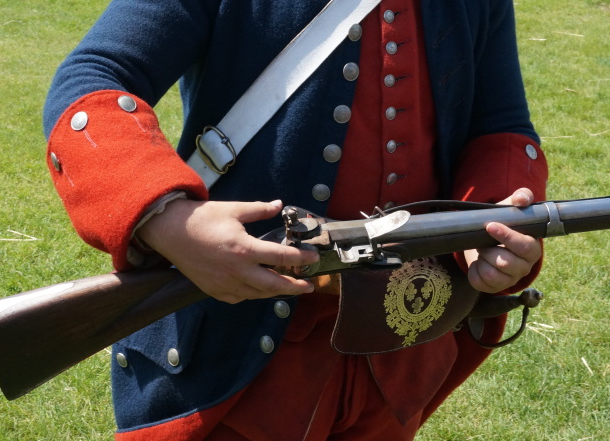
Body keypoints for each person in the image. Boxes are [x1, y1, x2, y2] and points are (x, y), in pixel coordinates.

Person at [43, 0, 548, 439]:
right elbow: (93, 76)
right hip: (239, 337)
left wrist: (492, 220)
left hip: (398, 345)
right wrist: (171, 221)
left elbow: (500, 127)